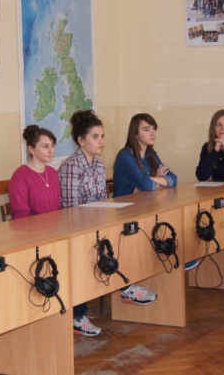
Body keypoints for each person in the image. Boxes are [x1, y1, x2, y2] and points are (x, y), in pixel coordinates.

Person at [58, 110, 156, 337]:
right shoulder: (72, 166)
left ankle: (126, 287)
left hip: (96, 225)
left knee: (124, 235)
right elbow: (70, 210)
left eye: (102, 136)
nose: (101, 141)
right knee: (87, 255)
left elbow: (103, 199)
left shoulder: (99, 165)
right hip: (76, 229)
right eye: (95, 137)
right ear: (81, 140)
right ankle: (78, 315)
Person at [113, 113, 177, 197]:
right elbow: (148, 185)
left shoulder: (151, 153)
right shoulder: (125, 156)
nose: (153, 133)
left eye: (154, 128)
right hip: (124, 204)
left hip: (145, 202)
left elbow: (173, 179)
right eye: (146, 130)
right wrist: (158, 180)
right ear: (136, 134)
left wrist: (151, 179)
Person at [9, 125, 60, 219]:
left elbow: (58, 208)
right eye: (45, 146)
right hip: (32, 227)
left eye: (52, 146)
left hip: (56, 225)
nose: (51, 151)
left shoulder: (52, 172)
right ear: (31, 149)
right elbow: (20, 214)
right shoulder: (20, 176)